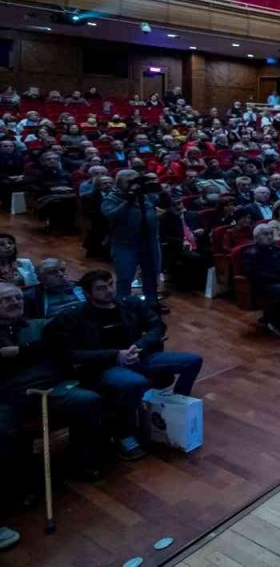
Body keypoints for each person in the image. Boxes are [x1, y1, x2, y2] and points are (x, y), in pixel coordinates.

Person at [53, 270, 202, 462]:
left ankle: (175, 406)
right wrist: (115, 355)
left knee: (193, 361)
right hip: (106, 366)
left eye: (110, 284)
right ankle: (124, 432)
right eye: (101, 288)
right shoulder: (77, 317)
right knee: (133, 383)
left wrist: (140, 346)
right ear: (88, 293)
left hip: (139, 356)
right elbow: (72, 353)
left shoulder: (130, 303)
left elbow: (157, 326)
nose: (108, 291)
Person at [2, 281, 105, 549]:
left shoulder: (38, 324)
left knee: (89, 401)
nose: (16, 302)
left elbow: (56, 345)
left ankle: (80, 459)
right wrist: (32, 351)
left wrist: (20, 352)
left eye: (17, 297)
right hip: (9, 395)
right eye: (7, 300)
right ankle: (22, 482)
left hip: (52, 387)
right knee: (3, 432)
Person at [101, 169, 167, 313]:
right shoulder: (111, 198)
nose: (134, 184)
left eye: (136, 180)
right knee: (125, 277)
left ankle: (151, 304)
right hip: (125, 244)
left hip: (150, 242)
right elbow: (109, 215)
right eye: (129, 181)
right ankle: (122, 307)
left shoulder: (147, 196)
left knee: (151, 275)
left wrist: (162, 191)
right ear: (119, 184)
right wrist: (127, 202)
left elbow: (164, 204)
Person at [240, 224, 280, 337]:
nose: (269, 236)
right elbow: (256, 275)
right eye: (265, 234)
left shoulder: (277, 248)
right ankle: (274, 321)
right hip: (262, 284)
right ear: (257, 237)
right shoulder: (251, 253)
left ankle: (279, 317)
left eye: (271, 234)